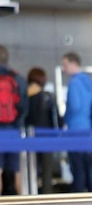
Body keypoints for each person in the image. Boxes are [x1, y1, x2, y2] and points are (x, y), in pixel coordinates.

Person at [61, 51, 92, 192]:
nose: (64, 68)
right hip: (86, 127)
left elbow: (74, 106)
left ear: (73, 63)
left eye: (65, 64)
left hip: (75, 128)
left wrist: (65, 117)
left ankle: (77, 197)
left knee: (77, 167)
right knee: (87, 166)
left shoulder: (74, 82)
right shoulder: (87, 81)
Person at [25, 66, 61, 194]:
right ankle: (47, 196)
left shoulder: (25, 96)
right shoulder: (48, 97)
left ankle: (31, 194)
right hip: (47, 138)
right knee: (46, 171)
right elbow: (56, 119)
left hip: (30, 137)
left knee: (30, 169)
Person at [0, 45, 28, 196]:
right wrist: (17, 125)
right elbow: (24, 106)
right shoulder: (18, 79)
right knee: (16, 170)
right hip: (14, 130)